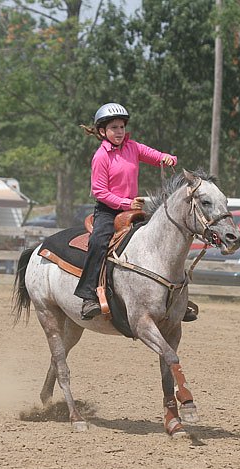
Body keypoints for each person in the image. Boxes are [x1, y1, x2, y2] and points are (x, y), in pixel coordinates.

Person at [75, 102, 177, 320]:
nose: (119, 132)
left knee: (162, 236)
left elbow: (154, 155)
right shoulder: (101, 156)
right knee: (98, 242)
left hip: (132, 209)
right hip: (108, 211)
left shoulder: (133, 147)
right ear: (102, 131)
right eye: (114, 128)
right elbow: (100, 192)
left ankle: (176, 295)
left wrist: (167, 159)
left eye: (121, 127)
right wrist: (125, 203)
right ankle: (88, 297)